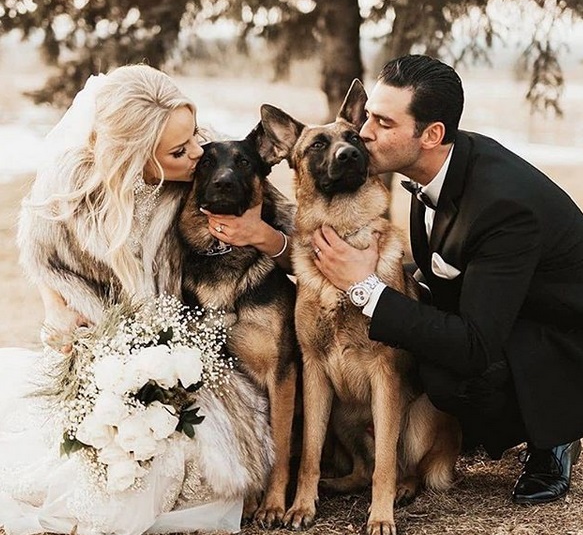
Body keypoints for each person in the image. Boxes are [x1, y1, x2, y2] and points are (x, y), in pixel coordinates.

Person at [0, 64, 289, 535]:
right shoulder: (74, 189)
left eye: (194, 133)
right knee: (88, 454)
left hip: (203, 356)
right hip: (112, 353)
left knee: (183, 462)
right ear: (135, 156)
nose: (198, 152)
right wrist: (57, 310)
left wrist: (263, 236)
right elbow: (42, 258)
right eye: (180, 149)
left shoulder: (217, 161)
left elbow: (301, 247)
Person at [312, 54, 583, 505]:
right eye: (369, 116)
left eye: (383, 122)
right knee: (419, 332)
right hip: (506, 309)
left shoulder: (502, 207)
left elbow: (475, 346)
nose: (364, 133)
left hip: (564, 343)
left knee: (444, 374)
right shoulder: (435, 168)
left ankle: (555, 431)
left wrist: (366, 286)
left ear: (431, 134)